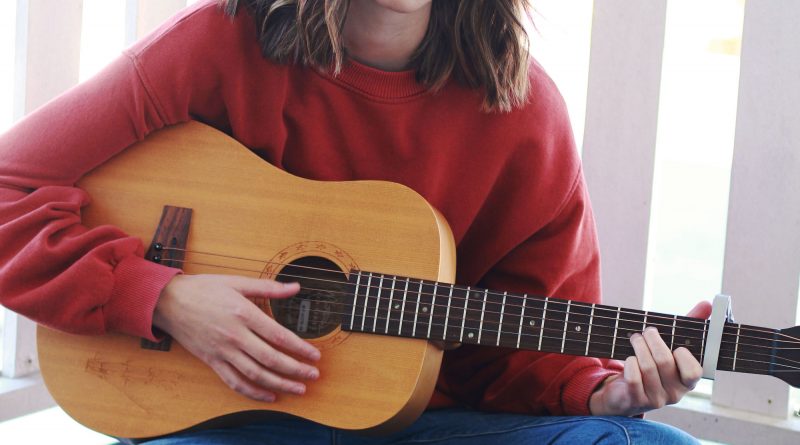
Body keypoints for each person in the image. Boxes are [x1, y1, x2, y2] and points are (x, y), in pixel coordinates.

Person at [0, 0, 710, 443]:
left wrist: (601, 391)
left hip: (432, 425)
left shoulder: (522, 111)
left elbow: (523, 351)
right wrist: (162, 298)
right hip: (221, 421)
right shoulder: (218, 43)